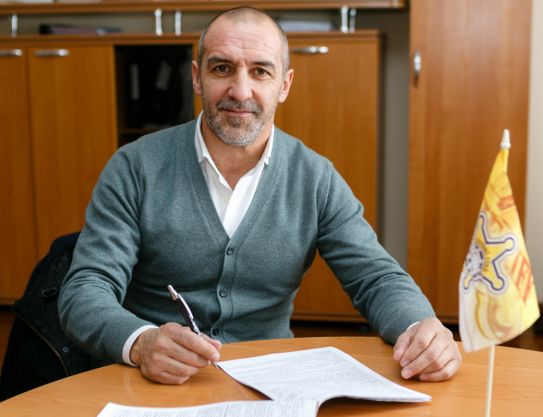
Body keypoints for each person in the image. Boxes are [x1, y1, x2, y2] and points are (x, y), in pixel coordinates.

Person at [58, 6, 461, 386]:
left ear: (284, 85)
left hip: (269, 386)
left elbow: (376, 277)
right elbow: (85, 290)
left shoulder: (315, 177)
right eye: (222, 68)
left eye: (260, 71)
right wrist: (141, 342)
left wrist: (420, 327)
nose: (240, 90)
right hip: (151, 384)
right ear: (197, 77)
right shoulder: (135, 167)